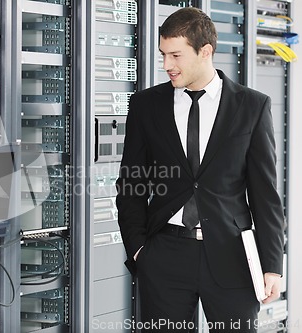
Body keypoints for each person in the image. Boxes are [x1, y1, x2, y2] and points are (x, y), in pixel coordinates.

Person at [116, 7, 285, 332]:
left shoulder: (251, 106)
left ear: (205, 51)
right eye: (164, 54)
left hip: (232, 254)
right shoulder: (145, 105)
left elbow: (265, 194)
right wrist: (139, 251)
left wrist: (272, 265)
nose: (167, 65)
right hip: (164, 254)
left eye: (176, 55)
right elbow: (131, 185)